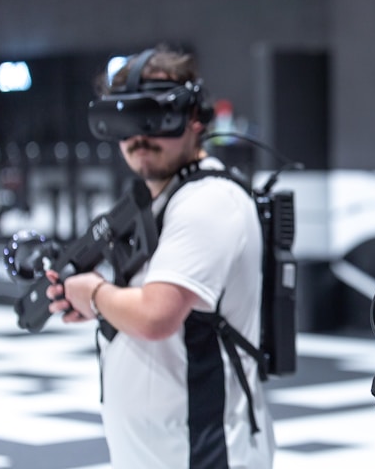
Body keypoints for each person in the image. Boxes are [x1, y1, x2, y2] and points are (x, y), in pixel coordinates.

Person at [45, 45, 275, 468]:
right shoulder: (165, 197)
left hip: (204, 451)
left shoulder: (207, 199)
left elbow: (156, 315)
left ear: (195, 118)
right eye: (123, 120)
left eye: (155, 117)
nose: (139, 137)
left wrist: (94, 294)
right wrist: (103, 305)